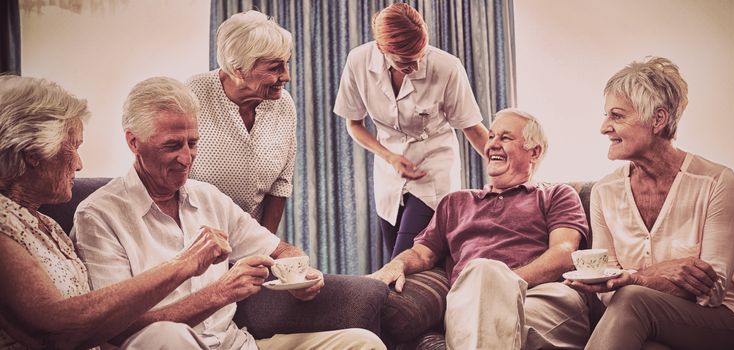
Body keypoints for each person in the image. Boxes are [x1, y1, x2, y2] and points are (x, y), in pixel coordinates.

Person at [72, 77, 384, 349]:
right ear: (134, 142)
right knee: (165, 338)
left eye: (192, 143)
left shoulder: (208, 198)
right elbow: (116, 329)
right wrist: (219, 294)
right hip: (164, 346)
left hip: (239, 345)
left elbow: (280, 250)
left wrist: (298, 275)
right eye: (172, 146)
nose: (186, 157)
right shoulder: (99, 216)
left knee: (362, 342)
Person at [0, 75, 233, 349]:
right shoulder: (4, 224)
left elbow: (105, 320)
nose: (79, 164)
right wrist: (184, 264)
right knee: (167, 337)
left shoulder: (45, 223)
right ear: (33, 153)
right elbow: (56, 330)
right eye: (72, 146)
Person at [565, 56, 734, 349]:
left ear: (658, 119)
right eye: (606, 116)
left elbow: (712, 290)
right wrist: (655, 274)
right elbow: (604, 290)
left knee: (632, 299)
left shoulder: (716, 181)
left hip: (723, 323)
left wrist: (636, 280)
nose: (604, 127)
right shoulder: (604, 191)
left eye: (617, 116)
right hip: (646, 328)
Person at [371, 108, 591, 349]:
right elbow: (422, 253)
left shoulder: (557, 195)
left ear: (534, 152)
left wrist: (498, 283)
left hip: (542, 297)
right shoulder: (455, 202)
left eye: (505, 138)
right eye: (492, 136)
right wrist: (396, 264)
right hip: (470, 304)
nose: (492, 144)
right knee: (483, 294)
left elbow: (563, 253)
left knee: (485, 277)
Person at [334, 3, 489, 260]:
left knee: (402, 261)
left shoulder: (447, 67)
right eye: (406, 62)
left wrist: (506, 166)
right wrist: (390, 157)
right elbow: (354, 125)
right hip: (388, 175)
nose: (415, 65)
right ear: (382, 49)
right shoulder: (359, 61)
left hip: (433, 171)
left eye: (420, 56)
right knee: (404, 266)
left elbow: (472, 127)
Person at [186, 10, 295, 233]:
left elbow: (281, 184)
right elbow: (172, 178)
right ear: (240, 70)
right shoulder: (194, 95)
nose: (286, 76)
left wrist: (263, 245)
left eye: (286, 64)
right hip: (195, 235)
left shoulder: (283, 103)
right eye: (275, 68)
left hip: (252, 237)